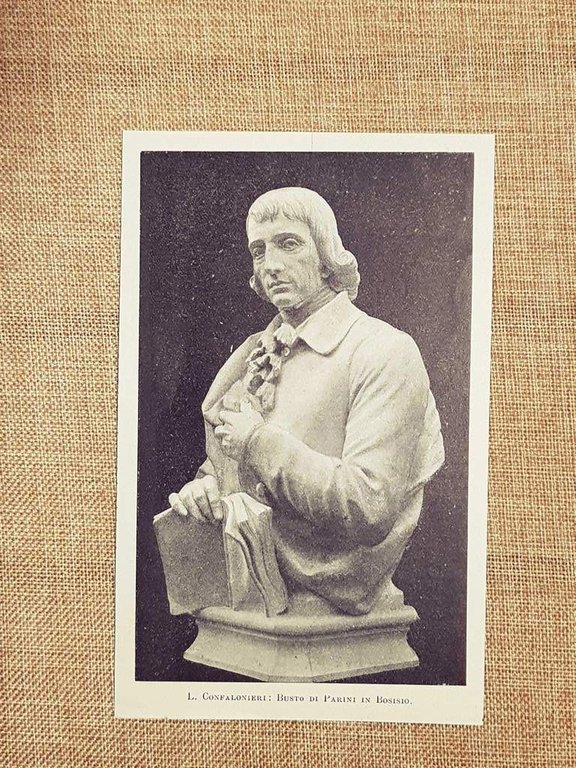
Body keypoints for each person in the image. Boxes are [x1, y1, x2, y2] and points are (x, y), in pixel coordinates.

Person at [168, 187, 444, 616]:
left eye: (288, 243)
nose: (270, 265)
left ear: (326, 255)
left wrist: (258, 442)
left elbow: (368, 505)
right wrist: (206, 491)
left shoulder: (382, 350)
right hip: (252, 597)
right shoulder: (253, 353)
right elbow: (224, 467)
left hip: (332, 597)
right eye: (258, 251)